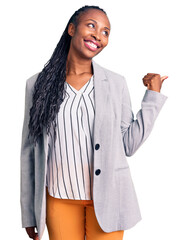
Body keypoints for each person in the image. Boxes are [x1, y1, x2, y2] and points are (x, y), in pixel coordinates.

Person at [20, 5, 168, 240]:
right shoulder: (36, 85)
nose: (98, 35)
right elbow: (29, 152)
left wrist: (153, 97)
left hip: (108, 199)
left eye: (105, 32)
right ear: (71, 29)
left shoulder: (116, 84)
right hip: (59, 201)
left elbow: (128, 145)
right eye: (91, 25)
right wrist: (29, 213)